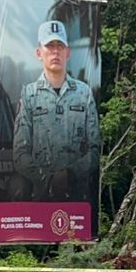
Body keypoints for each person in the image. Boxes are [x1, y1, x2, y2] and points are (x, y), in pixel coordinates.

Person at [11, 20, 100, 202]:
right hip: (41, 197)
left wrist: (70, 175)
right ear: (39, 53)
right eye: (49, 46)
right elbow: (19, 154)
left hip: (78, 199)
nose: (55, 51)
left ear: (67, 53)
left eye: (60, 46)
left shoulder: (84, 94)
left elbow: (96, 150)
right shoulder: (29, 95)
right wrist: (48, 178)